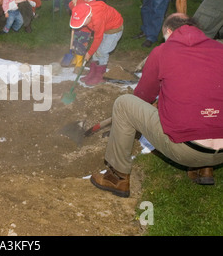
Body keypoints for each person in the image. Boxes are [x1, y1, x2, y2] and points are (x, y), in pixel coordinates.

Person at [90, 13, 223, 197]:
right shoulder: (219, 48)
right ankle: (204, 169)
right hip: (221, 154)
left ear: (168, 31)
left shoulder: (162, 51)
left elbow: (143, 96)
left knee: (124, 104)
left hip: (186, 150)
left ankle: (117, 177)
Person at [69, 1, 123, 85]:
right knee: (96, 51)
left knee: (102, 51)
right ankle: (93, 73)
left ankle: (100, 75)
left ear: (89, 16)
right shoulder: (85, 12)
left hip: (114, 30)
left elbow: (98, 37)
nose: (82, 25)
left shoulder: (97, 19)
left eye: (83, 23)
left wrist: (89, 53)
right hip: (104, 28)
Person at [68, 0, 95, 72]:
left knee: (81, 45)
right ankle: (76, 58)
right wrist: (73, 3)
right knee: (75, 43)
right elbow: (72, 9)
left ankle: (79, 64)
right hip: (77, 27)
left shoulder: (93, 3)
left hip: (86, 29)